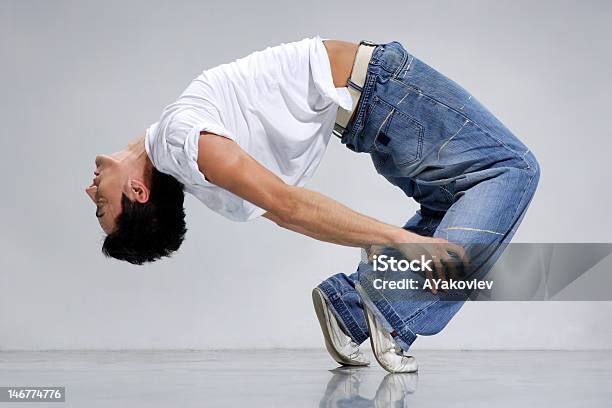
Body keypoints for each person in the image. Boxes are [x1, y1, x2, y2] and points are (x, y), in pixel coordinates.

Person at [85, 36, 540, 373]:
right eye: (101, 207)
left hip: (365, 112)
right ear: (138, 194)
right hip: (380, 88)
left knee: (453, 208)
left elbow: (285, 213)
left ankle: (351, 306)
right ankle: (389, 306)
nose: (91, 193)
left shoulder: (176, 156)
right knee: (514, 167)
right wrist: (399, 240)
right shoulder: (187, 141)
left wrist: (396, 243)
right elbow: (290, 208)